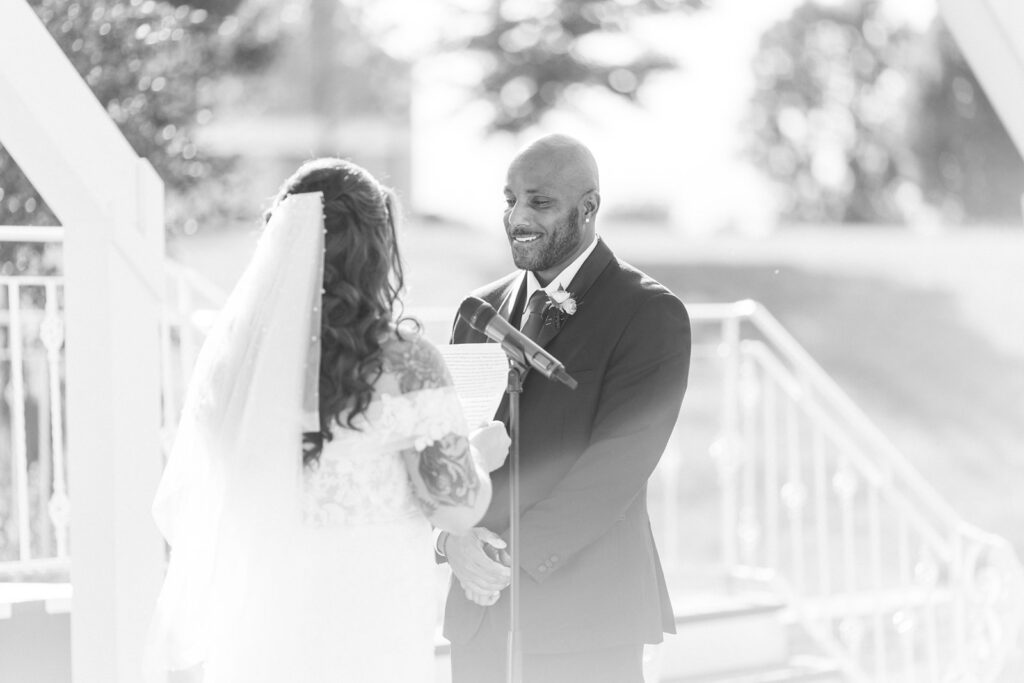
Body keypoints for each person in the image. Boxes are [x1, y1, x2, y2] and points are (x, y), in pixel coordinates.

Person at [146, 158, 508, 683]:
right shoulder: (403, 362)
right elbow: (455, 507)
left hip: (263, 616)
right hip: (370, 619)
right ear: (374, 253)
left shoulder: (234, 364)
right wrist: (478, 453)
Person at [440, 134, 691, 682]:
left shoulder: (649, 312)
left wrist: (505, 559)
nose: (517, 216)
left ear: (589, 208)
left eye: (539, 201)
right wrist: (452, 539)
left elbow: (617, 465)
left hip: (584, 617)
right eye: (509, 200)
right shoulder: (475, 313)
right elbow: (447, 449)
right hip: (478, 613)